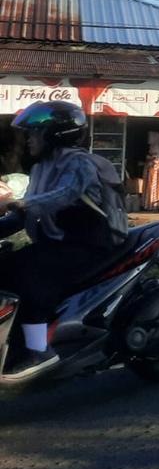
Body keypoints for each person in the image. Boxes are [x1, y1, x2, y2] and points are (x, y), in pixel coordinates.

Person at [0, 101, 127, 376]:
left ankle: (39, 350)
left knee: (30, 278)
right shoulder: (40, 169)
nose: (28, 140)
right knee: (5, 266)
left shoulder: (79, 162)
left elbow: (66, 194)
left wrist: (24, 202)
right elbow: (22, 217)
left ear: (54, 135)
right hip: (56, 244)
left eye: (34, 134)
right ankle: (14, 344)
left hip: (87, 244)